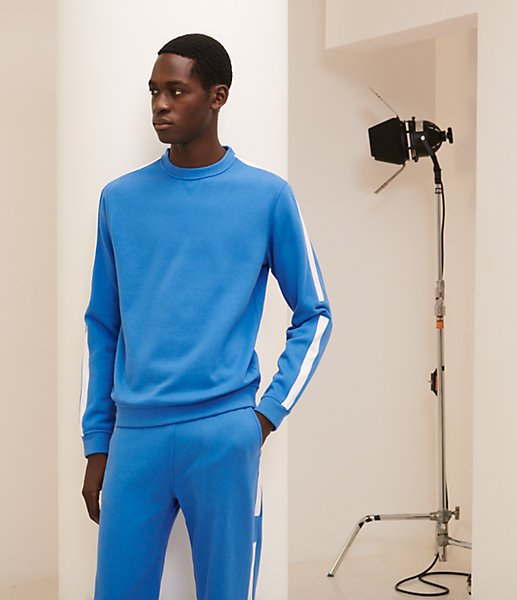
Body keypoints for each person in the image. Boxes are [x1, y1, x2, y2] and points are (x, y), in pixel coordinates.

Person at [79, 33, 332, 600]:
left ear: (217, 96)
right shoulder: (119, 199)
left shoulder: (267, 196)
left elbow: (315, 314)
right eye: (153, 92)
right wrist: (97, 442)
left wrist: (263, 417)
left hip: (223, 436)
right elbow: (102, 327)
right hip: (134, 439)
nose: (160, 105)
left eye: (176, 91)